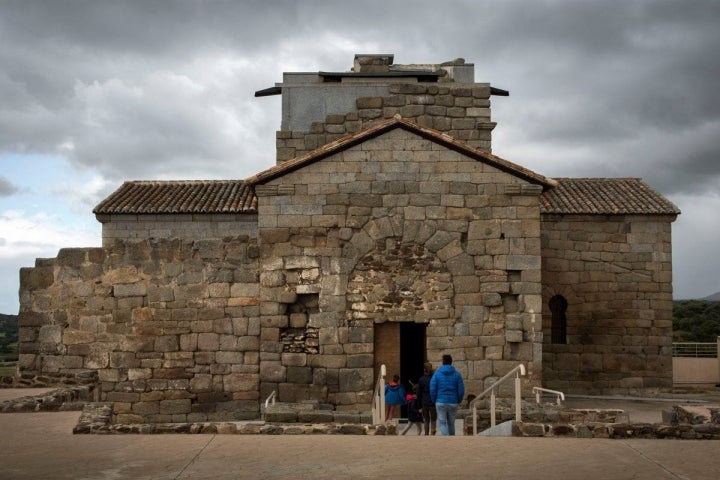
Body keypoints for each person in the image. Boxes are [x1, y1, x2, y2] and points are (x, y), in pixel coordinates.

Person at [429, 354, 465, 435]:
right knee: (451, 423)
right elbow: (461, 390)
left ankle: (446, 439)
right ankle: (451, 440)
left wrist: (434, 400)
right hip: (453, 401)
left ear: (443, 362)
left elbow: (432, 389)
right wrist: (458, 400)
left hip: (440, 401)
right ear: (451, 362)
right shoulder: (457, 375)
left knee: (442, 423)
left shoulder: (437, 374)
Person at [416, 361, 437, 435]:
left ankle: (426, 434)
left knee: (426, 419)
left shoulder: (421, 379)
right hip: (433, 401)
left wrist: (419, 405)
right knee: (433, 418)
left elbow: (418, 393)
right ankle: (433, 431)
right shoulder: (434, 378)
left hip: (424, 401)